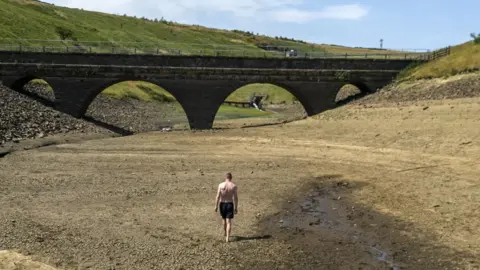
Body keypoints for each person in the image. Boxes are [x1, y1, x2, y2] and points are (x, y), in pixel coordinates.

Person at [214, 172, 238, 242]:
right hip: (230, 203)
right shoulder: (233, 186)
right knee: (229, 221)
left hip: (222, 204)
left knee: (223, 219)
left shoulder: (221, 185)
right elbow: (235, 198)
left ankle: (225, 232)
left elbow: (218, 196)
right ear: (231, 178)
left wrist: (216, 206)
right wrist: (236, 207)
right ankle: (227, 237)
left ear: (225, 177)